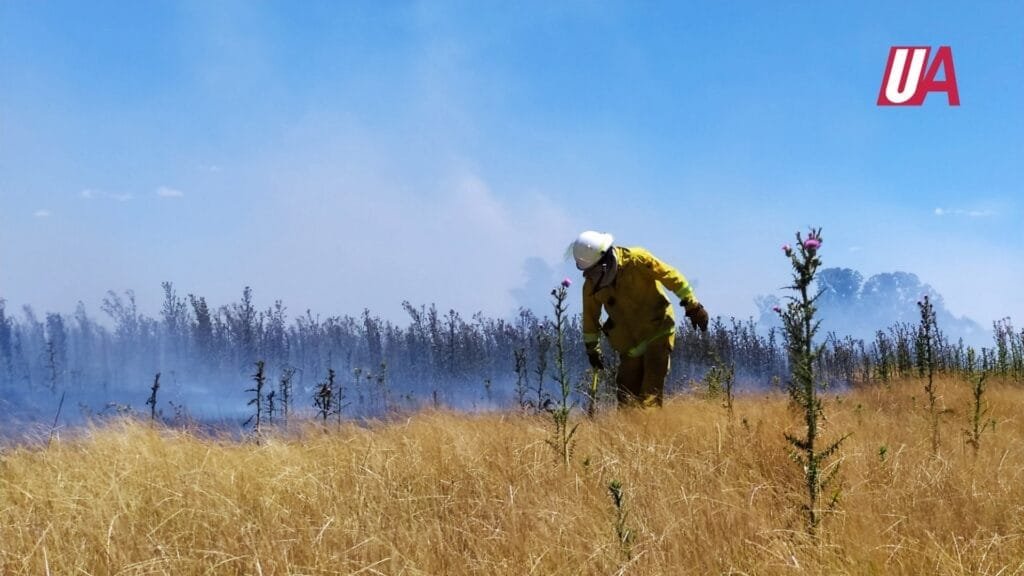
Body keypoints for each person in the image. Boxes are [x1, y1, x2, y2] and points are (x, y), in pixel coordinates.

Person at [571, 231, 709, 407]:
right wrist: (593, 350)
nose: (588, 277)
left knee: (650, 395)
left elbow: (670, 276)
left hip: (658, 330)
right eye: (585, 272)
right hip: (630, 346)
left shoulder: (637, 260)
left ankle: (652, 431)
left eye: (592, 272)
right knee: (626, 397)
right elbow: (590, 318)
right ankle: (631, 433)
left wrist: (693, 306)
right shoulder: (591, 286)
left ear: (604, 263)